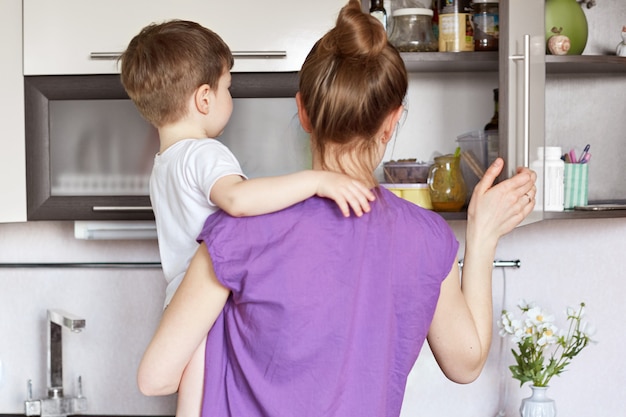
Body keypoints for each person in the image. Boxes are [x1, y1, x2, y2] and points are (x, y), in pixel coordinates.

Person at [136, 2, 537, 416]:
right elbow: (466, 363)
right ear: (392, 121)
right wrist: (483, 235)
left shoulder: (237, 232)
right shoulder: (428, 238)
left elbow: (158, 377)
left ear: (304, 111)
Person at [119, 19, 376, 417]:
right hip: (207, 299)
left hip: (182, 302)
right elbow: (238, 200)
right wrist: (316, 180)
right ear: (204, 98)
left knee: (193, 402)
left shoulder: (164, 164)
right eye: (229, 87)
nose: (229, 97)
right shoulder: (204, 154)